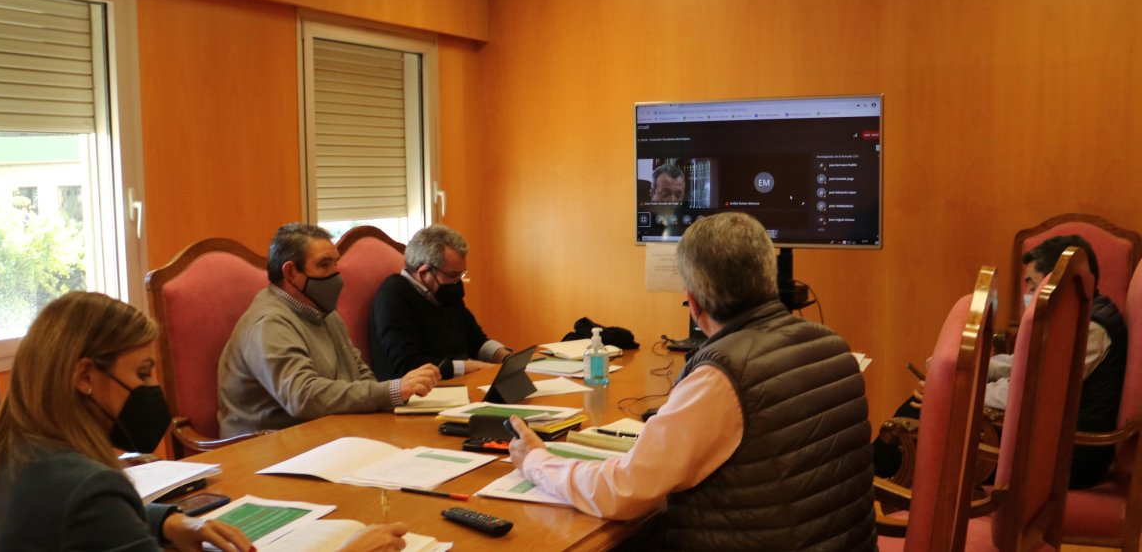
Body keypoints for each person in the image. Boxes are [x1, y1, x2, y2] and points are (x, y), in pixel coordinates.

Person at [507, 212, 876, 551]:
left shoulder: (723, 377)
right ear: (769, 279)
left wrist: (537, 461)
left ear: (694, 303)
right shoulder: (834, 347)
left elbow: (623, 491)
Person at [0, 291, 252, 551]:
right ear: (85, 376)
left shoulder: (11, 457)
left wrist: (170, 522)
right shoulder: (90, 486)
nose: (153, 389)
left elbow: (92, 521)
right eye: (142, 373)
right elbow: (92, 509)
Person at [873, 234, 1127, 489]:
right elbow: (1022, 365)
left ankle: (872, 479)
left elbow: (1028, 390)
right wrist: (959, 368)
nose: (1027, 294)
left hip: (1069, 458)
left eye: (1032, 284)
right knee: (920, 410)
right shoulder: (1082, 314)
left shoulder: (1092, 329)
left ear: (1059, 284)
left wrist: (957, 391)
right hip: (1049, 440)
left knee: (920, 418)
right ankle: (870, 474)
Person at [218, 223, 440, 437]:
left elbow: (359, 373)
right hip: (266, 450)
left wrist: (380, 406)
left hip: (328, 434)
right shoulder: (269, 323)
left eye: (336, 263)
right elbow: (302, 397)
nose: (336, 275)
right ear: (290, 272)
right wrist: (391, 391)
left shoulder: (324, 312)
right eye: (324, 265)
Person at [370, 224, 510, 380]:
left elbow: (477, 340)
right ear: (423, 272)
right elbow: (407, 365)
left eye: (461, 274)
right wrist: (469, 367)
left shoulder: (445, 292)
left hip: (460, 382)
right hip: (421, 391)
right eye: (452, 275)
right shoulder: (393, 295)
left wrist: (504, 357)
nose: (458, 282)